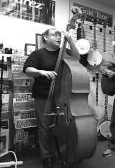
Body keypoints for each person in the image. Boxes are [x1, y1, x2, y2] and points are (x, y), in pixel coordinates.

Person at [23, 28, 80, 168]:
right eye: (54, 34)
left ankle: (63, 152)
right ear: (45, 37)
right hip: (43, 95)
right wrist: (41, 72)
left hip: (63, 96)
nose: (58, 37)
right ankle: (46, 156)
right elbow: (27, 69)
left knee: (63, 126)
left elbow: (77, 57)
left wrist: (70, 40)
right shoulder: (38, 54)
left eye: (59, 35)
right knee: (45, 127)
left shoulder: (63, 53)